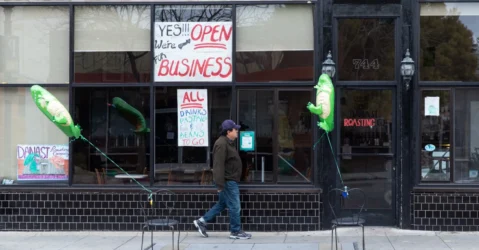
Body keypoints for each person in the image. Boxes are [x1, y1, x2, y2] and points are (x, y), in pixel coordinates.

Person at [193, 119, 252, 240]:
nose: (237, 131)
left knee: (222, 204)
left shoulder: (228, 143)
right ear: (228, 131)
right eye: (235, 129)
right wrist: (220, 185)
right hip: (227, 181)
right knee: (235, 206)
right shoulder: (221, 144)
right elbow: (218, 165)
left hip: (228, 180)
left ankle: (202, 221)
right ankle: (235, 231)